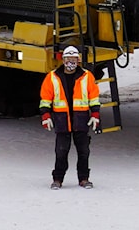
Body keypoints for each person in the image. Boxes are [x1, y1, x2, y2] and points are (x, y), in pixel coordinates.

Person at [39, 45, 101, 189]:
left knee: (84, 152)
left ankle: (84, 179)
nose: (71, 62)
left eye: (73, 59)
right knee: (61, 151)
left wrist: (96, 114)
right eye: (68, 59)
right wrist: (45, 115)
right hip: (62, 122)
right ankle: (57, 180)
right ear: (63, 59)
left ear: (78, 60)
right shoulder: (52, 77)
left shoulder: (87, 76)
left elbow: (94, 97)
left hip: (81, 120)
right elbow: (45, 98)